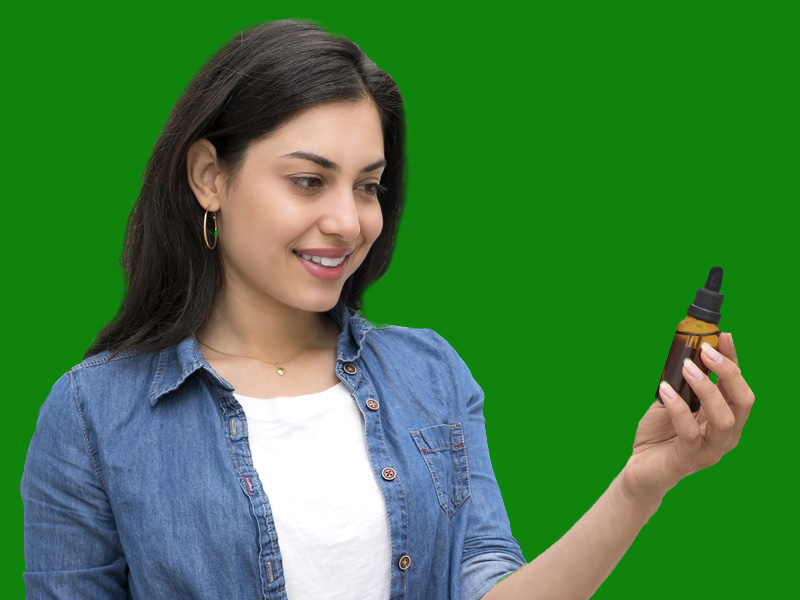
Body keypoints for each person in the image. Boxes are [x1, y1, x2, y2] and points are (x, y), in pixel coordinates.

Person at [21, 19, 754, 600]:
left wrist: (641, 484)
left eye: (368, 186)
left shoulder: (427, 373)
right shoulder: (93, 415)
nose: (348, 222)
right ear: (210, 175)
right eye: (309, 181)